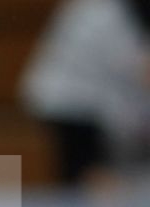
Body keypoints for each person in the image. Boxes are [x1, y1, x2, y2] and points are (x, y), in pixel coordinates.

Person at [20, 0, 150, 194]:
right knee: (94, 187)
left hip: (120, 118)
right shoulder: (95, 15)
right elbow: (139, 69)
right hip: (76, 108)